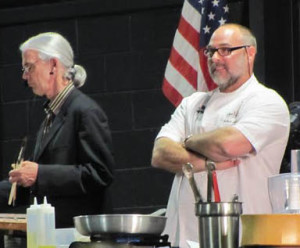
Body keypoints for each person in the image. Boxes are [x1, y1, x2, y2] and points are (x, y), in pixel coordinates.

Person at [151, 23, 290, 248]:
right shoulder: (192, 103)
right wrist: (207, 163)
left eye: (225, 50)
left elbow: (227, 146)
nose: (215, 58)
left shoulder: (266, 101)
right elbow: (160, 154)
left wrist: (187, 141)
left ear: (249, 52)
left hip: (242, 239)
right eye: (210, 51)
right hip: (182, 239)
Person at [6, 32, 115, 228]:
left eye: (29, 67)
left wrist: (40, 174)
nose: (24, 76)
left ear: (53, 66)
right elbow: (35, 182)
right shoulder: (52, 114)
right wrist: (30, 177)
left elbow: (100, 174)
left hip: (79, 236)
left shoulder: (85, 111)